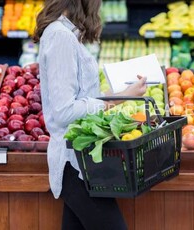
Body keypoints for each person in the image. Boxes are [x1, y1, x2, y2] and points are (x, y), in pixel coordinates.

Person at [32, 0, 147, 229]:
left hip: (84, 162)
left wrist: (119, 93)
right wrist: (118, 99)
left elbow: (82, 97)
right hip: (74, 164)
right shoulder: (60, 36)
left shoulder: (66, 33)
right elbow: (65, 110)